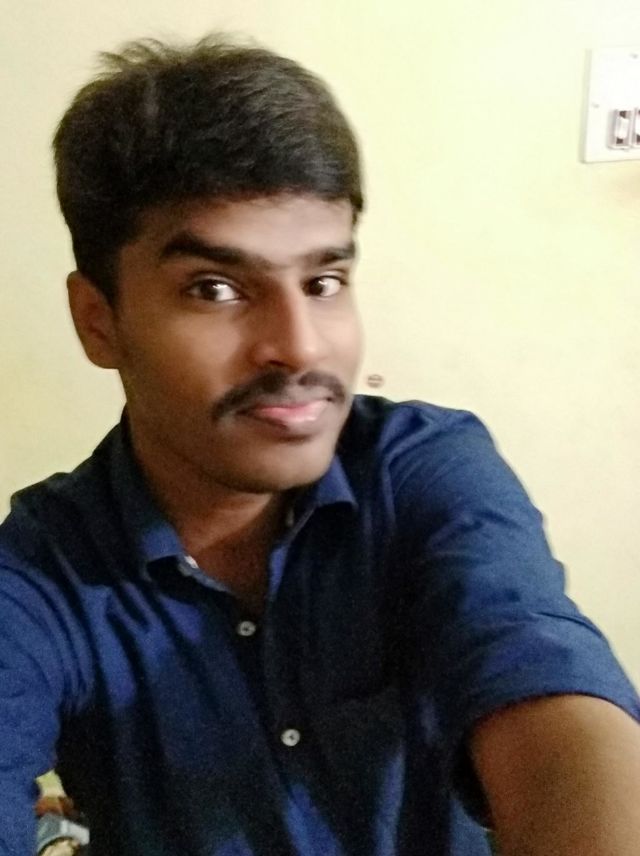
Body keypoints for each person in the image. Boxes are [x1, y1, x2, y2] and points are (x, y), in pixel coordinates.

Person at [1, 34, 639, 856]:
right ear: (99, 321)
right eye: (215, 289)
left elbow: (545, 686)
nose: (300, 347)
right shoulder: (42, 573)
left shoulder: (421, 470)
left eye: (324, 281)